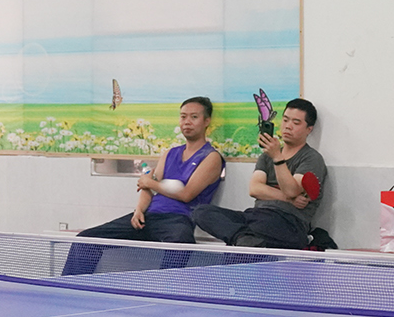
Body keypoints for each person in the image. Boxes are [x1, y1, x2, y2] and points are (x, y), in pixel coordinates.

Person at [67, 97, 224, 270]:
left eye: (194, 117)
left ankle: (163, 286)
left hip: (178, 219)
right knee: (86, 240)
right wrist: (139, 210)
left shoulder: (211, 157)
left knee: (181, 244)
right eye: (183, 117)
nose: (187, 122)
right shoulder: (170, 153)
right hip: (147, 216)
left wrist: (149, 182)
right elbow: (147, 188)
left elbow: (186, 194)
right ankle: (70, 285)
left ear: (206, 121)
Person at [193, 99, 326, 249]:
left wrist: (277, 158)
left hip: (289, 223)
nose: (288, 126)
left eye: (296, 123)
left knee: (255, 229)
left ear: (309, 129)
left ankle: (243, 239)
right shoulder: (266, 156)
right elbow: (255, 189)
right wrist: (289, 199)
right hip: (256, 216)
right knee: (201, 212)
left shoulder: (311, 158)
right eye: (285, 120)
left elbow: (291, 190)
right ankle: (243, 238)